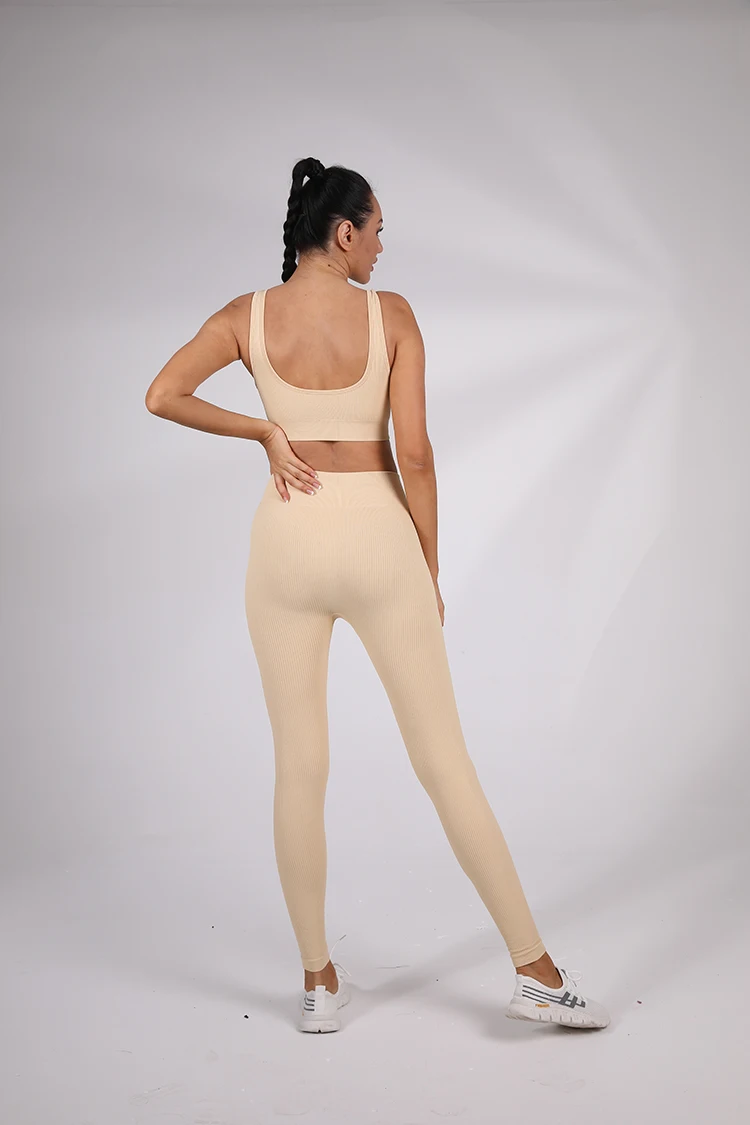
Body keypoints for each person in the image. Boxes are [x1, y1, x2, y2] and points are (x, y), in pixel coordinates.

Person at [145, 157, 610, 1035]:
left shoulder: (244, 316)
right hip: (377, 539)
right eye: (378, 231)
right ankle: (535, 973)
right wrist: (425, 567)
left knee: (299, 765)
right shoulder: (390, 316)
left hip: (285, 542)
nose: (383, 248)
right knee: (445, 761)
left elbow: (162, 394)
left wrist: (264, 430)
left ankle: (318, 983)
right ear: (344, 231)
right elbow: (417, 455)